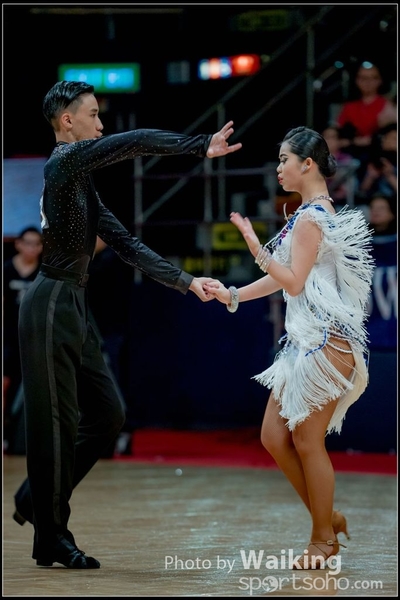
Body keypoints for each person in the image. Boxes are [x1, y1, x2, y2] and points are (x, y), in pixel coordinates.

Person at [12, 80, 242, 570]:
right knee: (56, 425)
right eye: (93, 115)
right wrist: (199, 144)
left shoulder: (79, 180)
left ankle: (35, 497)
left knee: (108, 415)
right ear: (67, 121)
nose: (101, 124)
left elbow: (126, 244)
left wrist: (186, 281)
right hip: (50, 302)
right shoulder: (63, 162)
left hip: (73, 303)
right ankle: (51, 536)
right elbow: (134, 140)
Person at [204, 126, 375, 569]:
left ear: (308, 164)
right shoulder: (307, 215)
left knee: (306, 440)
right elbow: (284, 277)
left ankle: (322, 540)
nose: (278, 168)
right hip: (306, 342)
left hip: (327, 341)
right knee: (273, 436)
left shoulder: (312, 218)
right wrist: (234, 294)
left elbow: (293, 281)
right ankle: (327, 516)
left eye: (284, 159)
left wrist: (256, 247)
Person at [3, 226, 43, 455]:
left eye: (37, 244)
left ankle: (21, 435)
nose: (32, 248)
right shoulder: (7, 269)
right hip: (8, 337)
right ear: (18, 244)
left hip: (33, 339)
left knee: (28, 387)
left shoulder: (43, 272)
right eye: (28, 243)